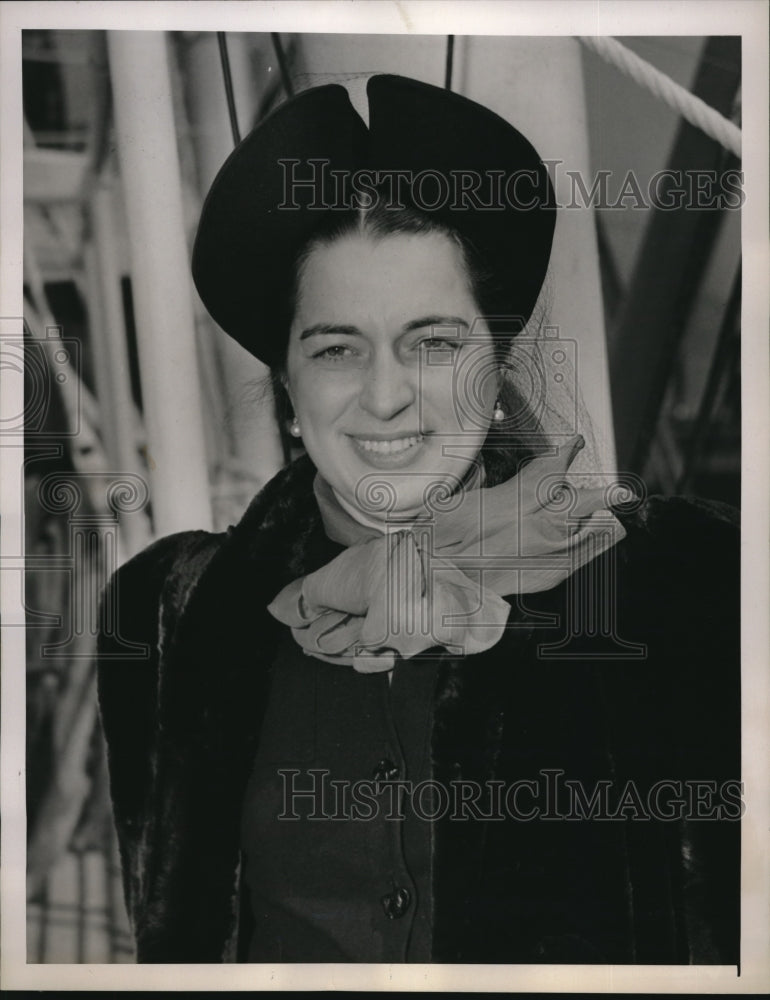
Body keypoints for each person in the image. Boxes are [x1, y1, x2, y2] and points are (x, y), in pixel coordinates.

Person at [97, 74, 740, 965]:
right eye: (335, 349)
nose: (386, 396)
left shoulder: (683, 578)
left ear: (497, 357)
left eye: (433, 343)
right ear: (289, 392)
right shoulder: (168, 612)